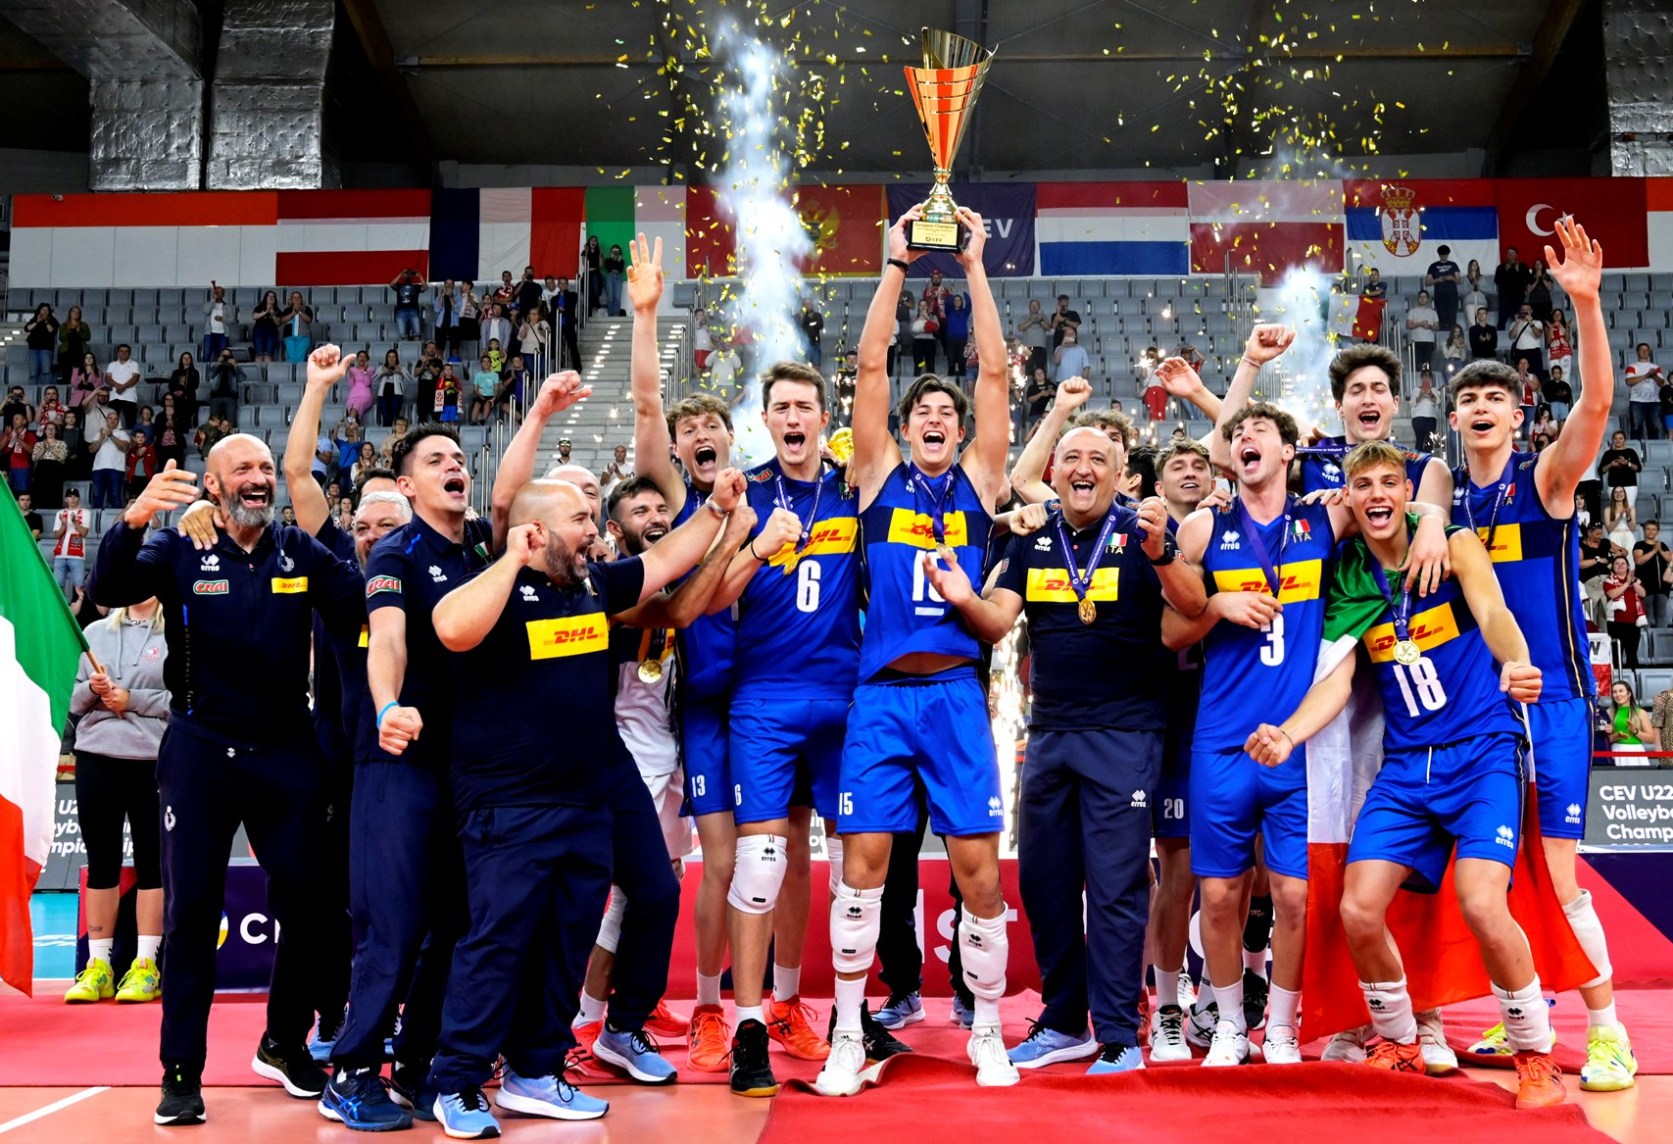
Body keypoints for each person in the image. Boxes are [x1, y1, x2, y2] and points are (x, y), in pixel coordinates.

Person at [420, 470, 744, 1136]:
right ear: (536, 532)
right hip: (508, 800)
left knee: (568, 937)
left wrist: (716, 509)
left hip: (587, 794)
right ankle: (456, 1081)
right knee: (499, 940)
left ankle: (535, 1071)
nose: (594, 532)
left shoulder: (593, 585)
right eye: (580, 522)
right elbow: (449, 628)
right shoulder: (495, 585)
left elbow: (664, 562)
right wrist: (510, 559)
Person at [1247, 440, 1563, 1108]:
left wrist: (1514, 662)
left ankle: (1535, 1054)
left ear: (1406, 492)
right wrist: (1288, 733)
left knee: (1482, 903)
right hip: (1405, 767)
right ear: (1350, 497)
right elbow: (1337, 681)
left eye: (1389, 482)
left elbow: (1494, 614)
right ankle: (1397, 1041)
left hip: (1481, 750)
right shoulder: (1349, 576)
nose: (1377, 495)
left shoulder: (1453, 544)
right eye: (1362, 485)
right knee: (1358, 908)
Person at [92, 434, 365, 1126]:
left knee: (310, 907)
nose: (258, 477)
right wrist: (134, 518)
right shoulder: (178, 546)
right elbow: (106, 590)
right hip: (200, 751)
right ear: (212, 485)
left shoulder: (297, 551)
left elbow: (364, 607)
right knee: (190, 916)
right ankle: (181, 1072)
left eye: (266, 467)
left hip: (287, 751)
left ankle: (284, 1042)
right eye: (242, 468)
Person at [815, 205, 1017, 1096]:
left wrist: (973, 266)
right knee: (860, 876)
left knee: (978, 876)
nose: (936, 415)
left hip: (956, 696)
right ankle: (846, 1036)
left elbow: (995, 374)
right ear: (903, 429)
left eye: (946, 411)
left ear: (959, 432)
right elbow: (869, 365)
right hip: (880, 699)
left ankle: (987, 1033)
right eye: (922, 411)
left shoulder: (978, 481)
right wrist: (895, 262)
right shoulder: (876, 477)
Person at [931, 426, 1206, 1075]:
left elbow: (1193, 606)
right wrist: (962, 595)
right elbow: (997, 621)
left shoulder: (1141, 532)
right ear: (1053, 474)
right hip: (1050, 734)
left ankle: (1118, 1035)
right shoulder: (1032, 538)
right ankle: (1062, 1022)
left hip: (1126, 734)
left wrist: (1163, 551)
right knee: (1044, 881)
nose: (1084, 468)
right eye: (1072, 458)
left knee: (1114, 886)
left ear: (1119, 473)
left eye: (1098, 459)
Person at [1448, 217, 1637, 1091]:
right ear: (1454, 418)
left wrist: (1585, 306)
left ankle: (1607, 1032)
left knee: (1557, 879)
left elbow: (1594, 407)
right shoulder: (1444, 506)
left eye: (1496, 397)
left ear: (1516, 413)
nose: (1482, 406)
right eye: (1468, 399)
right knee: (1497, 876)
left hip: (1552, 701)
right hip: (1478, 711)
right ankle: (1524, 1014)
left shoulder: (1544, 483)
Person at [703, 362, 863, 1097]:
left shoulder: (855, 490)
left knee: (852, 865)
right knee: (762, 862)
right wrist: (756, 545)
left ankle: (821, 1012)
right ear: (764, 420)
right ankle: (747, 1028)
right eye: (780, 408)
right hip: (764, 698)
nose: (792, 418)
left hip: (843, 697)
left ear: (824, 417)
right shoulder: (743, 497)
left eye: (804, 406)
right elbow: (711, 598)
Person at [571, 476, 757, 1081]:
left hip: (673, 750)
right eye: (639, 510)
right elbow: (680, 610)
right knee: (626, 892)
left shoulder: (676, 576)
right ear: (615, 528)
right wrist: (737, 540)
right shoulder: (611, 583)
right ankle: (587, 1017)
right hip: (628, 751)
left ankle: (626, 1010)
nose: (654, 516)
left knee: (660, 882)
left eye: (661, 508)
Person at [62, 597, 169, 1006]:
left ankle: (146, 965)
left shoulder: (178, 633)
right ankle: (99, 967)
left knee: (152, 864)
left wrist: (132, 699)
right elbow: (71, 702)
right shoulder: (93, 633)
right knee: (101, 862)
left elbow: (187, 701)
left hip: (153, 761)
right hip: (97, 757)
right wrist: (93, 689)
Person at [1604, 556, 1647, 668]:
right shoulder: (1609, 580)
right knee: (1616, 654)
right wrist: (1627, 583)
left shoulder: (1636, 580)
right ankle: (1617, 677)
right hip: (1615, 623)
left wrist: (1633, 582)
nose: (1620, 565)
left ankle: (1633, 677)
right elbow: (1612, 594)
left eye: (1623, 563)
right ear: (1613, 567)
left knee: (1632, 653)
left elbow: (1643, 593)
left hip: (1634, 623)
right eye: (1617, 563)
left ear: (1628, 566)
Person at [50, 488, 89, 598]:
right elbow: (57, 535)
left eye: (75, 496)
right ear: (65, 499)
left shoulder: (86, 513)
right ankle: (61, 607)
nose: (72, 499)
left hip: (77, 555)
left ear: (79, 499)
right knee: (57, 587)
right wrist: (64, 524)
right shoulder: (60, 513)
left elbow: (84, 533)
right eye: (70, 496)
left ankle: (78, 607)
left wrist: (74, 522)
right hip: (60, 555)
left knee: (79, 587)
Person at [1633, 520, 1671, 627]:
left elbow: (1669, 559)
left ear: (1657, 531)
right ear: (1644, 530)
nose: (1650, 531)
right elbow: (1639, 560)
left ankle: (1661, 636)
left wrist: (1660, 550)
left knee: (1661, 614)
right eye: (1648, 529)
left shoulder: (1662, 545)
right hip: (1646, 586)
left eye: (1653, 529)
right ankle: (1646, 635)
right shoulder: (1639, 545)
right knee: (1647, 614)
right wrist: (1654, 551)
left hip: (1662, 586)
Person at [1607, 680, 1655, 763]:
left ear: (1629, 693)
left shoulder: (1641, 713)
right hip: (1616, 751)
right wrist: (1617, 736)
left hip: (1636, 752)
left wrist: (1635, 731)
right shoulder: (1609, 713)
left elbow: (1651, 739)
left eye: (1621, 691)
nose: (1617, 694)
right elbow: (1606, 740)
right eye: (1614, 692)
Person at [1626, 343, 1666, 442]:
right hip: (1637, 401)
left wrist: (1654, 375)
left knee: (1654, 428)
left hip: (1654, 401)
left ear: (1649, 352)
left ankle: (1654, 449)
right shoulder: (1632, 366)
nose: (1644, 352)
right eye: (1642, 350)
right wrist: (1647, 375)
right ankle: (1636, 449)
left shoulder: (1655, 367)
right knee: (1636, 428)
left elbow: (1662, 383)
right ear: (1637, 352)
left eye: (1646, 350)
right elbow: (1629, 381)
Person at [1424, 244, 1461, 333]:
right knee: (1441, 318)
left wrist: (1451, 278)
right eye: (1442, 255)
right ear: (1439, 255)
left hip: (1452, 295)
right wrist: (1437, 280)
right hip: (1439, 295)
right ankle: (1443, 336)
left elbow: (1459, 280)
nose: (1444, 256)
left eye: (1445, 255)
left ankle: (1453, 336)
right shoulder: (1433, 266)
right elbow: (1427, 282)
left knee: (1452, 317)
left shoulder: (1453, 265)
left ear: (1448, 254)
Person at [1495, 248, 1532, 329]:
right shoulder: (1501, 267)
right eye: (1509, 253)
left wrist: (1518, 271)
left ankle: (1520, 333)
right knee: (1502, 317)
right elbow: (1497, 281)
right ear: (1506, 255)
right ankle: (1500, 334)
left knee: (1519, 317)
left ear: (1516, 255)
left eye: (1513, 253)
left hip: (1518, 296)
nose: (1511, 255)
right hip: (1504, 297)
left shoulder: (1522, 266)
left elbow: (1528, 280)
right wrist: (1505, 270)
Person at [25, 303, 58, 390]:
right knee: (33, 373)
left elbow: (52, 331)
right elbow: (27, 328)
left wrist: (46, 321)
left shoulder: (52, 320)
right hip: (33, 348)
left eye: (47, 310)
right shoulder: (34, 319)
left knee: (46, 372)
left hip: (46, 349)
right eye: (43, 310)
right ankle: (32, 391)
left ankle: (48, 391)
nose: (45, 312)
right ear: (39, 310)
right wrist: (37, 322)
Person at [1405, 290, 1439, 372]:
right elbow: (1408, 325)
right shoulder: (1412, 311)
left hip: (1429, 342)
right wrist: (1420, 324)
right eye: (1421, 297)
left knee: (1427, 364)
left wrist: (1429, 326)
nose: (1422, 299)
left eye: (1424, 297)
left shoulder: (1433, 313)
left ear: (1427, 299)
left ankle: (1427, 379)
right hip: (1416, 341)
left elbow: (1437, 327)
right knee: (1418, 364)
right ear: (1418, 299)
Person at [390, 270, 426, 341]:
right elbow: (391, 284)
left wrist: (420, 276)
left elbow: (425, 288)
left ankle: (416, 348)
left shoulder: (415, 287)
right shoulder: (399, 286)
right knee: (404, 336)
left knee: (417, 334)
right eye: (406, 273)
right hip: (401, 312)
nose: (408, 275)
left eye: (409, 274)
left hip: (413, 311)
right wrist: (400, 274)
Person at [1410, 372, 1440, 450]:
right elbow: (1412, 403)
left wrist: (1430, 393)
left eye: (1428, 377)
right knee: (1419, 440)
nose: (1426, 379)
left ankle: (1427, 457)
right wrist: (1420, 395)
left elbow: (1437, 401)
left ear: (1431, 379)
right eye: (1424, 377)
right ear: (1421, 379)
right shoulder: (1416, 390)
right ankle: (1418, 457)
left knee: (1429, 442)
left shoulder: (1434, 390)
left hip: (1431, 417)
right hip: (1418, 417)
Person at [250, 291, 282, 363]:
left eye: (273, 296)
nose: (271, 298)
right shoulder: (259, 307)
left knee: (268, 354)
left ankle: (267, 369)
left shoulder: (277, 310)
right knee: (259, 353)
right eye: (269, 296)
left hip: (271, 332)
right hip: (259, 331)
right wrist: (266, 311)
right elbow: (254, 316)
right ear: (265, 298)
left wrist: (273, 315)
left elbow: (278, 323)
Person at [1605, 486, 1638, 551]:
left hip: (1628, 537)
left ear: (1625, 494)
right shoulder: (1608, 510)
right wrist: (1620, 517)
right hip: (1614, 537)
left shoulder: (1631, 509)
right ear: (1613, 495)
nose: (1618, 494)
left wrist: (1628, 517)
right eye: (1616, 492)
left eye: (1621, 491)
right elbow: (1610, 529)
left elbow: (1633, 528)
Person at [603, 244, 627, 316]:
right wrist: (612, 259)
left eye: (617, 250)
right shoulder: (608, 260)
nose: (615, 252)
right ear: (611, 251)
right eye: (614, 250)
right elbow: (608, 268)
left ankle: (616, 315)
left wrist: (618, 261)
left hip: (618, 277)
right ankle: (610, 314)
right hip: (610, 276)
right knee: (610, 297)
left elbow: (620, 270)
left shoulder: (621, 261)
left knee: (617, 298)